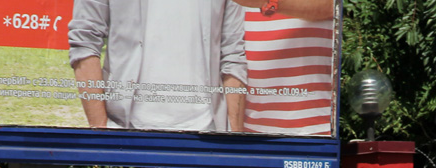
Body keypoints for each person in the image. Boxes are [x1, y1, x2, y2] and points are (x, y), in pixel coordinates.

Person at [68, 0, 248, 132]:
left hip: (208, 133)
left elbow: (233, 55)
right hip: (125, 131)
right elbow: (85, 43)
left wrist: (234, 140)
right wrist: (101, 132)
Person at [230, 0, 336, 135]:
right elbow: (229, 60)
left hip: (316, 129)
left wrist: (269, 3)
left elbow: (330, 6)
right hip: (253, 133)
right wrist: (235, 136)